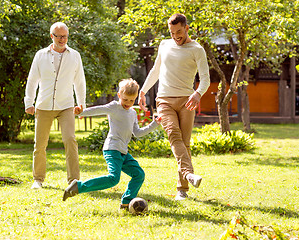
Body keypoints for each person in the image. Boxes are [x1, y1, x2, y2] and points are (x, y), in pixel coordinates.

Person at [138, 13, 210, 200]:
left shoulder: (197, 50)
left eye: (179, 32)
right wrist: (143, 91)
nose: (176, 36)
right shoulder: (164, 45)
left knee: (184, 144)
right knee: (174, 136)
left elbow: (206, 79)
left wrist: (197, 94)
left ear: (187, 28)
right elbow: (156, 70)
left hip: (187, 100)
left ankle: (182, 189)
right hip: (164, 100)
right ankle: (188, 174)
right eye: (172, 33)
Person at [63, 79, 161, 209]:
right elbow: (99, 109)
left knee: (139, 174)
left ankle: (126, 202)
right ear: (119, 95)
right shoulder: (114, 107)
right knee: (113, 178)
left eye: (131, 101)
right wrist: (81, 112)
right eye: (125, 99)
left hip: (123, 152)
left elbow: (137, 133)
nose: (128, 103)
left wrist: (154, 124)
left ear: (136, 98)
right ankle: (78, 186)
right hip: (112, 149)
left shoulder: (132, 113)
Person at [24, 22, 86, 189]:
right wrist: (29, 102)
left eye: (65, 36)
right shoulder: (40, 55)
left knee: (70, 140)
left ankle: (74, 180)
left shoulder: (75, 56)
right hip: (43, 105)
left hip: (66, 105)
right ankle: (38, 179)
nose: (62, 39)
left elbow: (79, 81)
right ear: (52, 36)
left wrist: (81, 103)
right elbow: (32, 80)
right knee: (40, 144)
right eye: (58, 36)